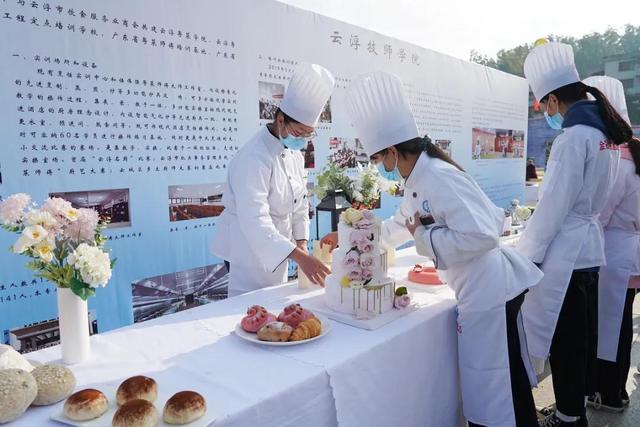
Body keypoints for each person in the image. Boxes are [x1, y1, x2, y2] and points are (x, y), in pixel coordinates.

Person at [322, 71, 543, 427]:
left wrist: (426, 240)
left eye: (378, 161)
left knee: (501, 386)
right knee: (492, 383)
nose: (380, 169)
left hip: (490, 291)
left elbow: (483, 235)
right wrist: (354, 235)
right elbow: (400, 225)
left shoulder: (438, 177)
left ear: (392, 152)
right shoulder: (417, 180)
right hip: (476, 290)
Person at [518, 41, 633, 427]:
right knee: (582, 339)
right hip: (590, 249)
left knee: (566, 343)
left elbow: (552, 208)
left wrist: (524, 255)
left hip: (567, 253)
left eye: (543, 105)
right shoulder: (607, 136)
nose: (546, 112)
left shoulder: (573, 138)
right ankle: (575, 408)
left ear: (552, 100)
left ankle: (569, 417)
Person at [212, 63, 334, 297]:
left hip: (278, 247)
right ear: (280, 120)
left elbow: (300, 204)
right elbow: (254, 219)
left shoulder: (295, 154)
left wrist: (301, 241)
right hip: (245, 248)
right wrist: (298, 256)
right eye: (299, 133)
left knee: (272, 300)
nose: (303, 140)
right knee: (248, 306)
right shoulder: (253, 157)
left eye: (308, 134)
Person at [581, 76, 640, 412]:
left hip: (612, 253)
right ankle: (614, 389)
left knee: (609, 326)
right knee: (618, 326)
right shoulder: (633, 149)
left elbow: (599, 213)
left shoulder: (619, 158)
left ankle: (608, 392)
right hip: (627, 252)